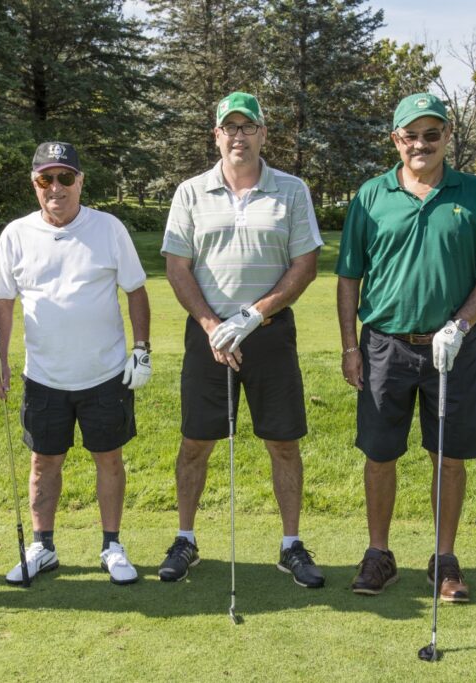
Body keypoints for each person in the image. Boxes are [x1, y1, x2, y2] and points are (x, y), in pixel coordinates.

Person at [335, 93, 476, 602]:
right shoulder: (371, 195)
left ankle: (444, 558)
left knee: (449, 456)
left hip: (453, 348)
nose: (421, 144)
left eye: (431, 135)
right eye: (410, 135)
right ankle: (378, 554)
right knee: (379, 454)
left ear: (447, 136)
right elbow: (349, 277)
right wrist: (349, 348)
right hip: (383, 346)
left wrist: (460, 325)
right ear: (396, 139)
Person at [159, 92, 325, 588]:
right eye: (229, 127)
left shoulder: (291, 190)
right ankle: (185, 539)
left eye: (247, 126)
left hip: (270, 335)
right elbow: (177, 267)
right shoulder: (191, 192)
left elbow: (305, 265)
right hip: (207, 337)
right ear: (216, 135)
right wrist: (213, 325)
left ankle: (291, 545)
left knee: (284, 443)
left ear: (262, 134)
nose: (238, 136)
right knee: (196, 442)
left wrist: (253, 315)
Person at [0, 141, 151, 586]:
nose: (55, 187)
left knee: (109, 459)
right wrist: (0, 360)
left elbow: (135, 290)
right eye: (46, 179)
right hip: (44, 376)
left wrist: (142, 348)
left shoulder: (109, 228)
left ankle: (112, 545)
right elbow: (2, 302)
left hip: (105, 373)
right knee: (44, 462)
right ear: (34, 183)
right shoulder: (16, 234)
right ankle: (43, 547)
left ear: (80, 181)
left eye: (65, 177)